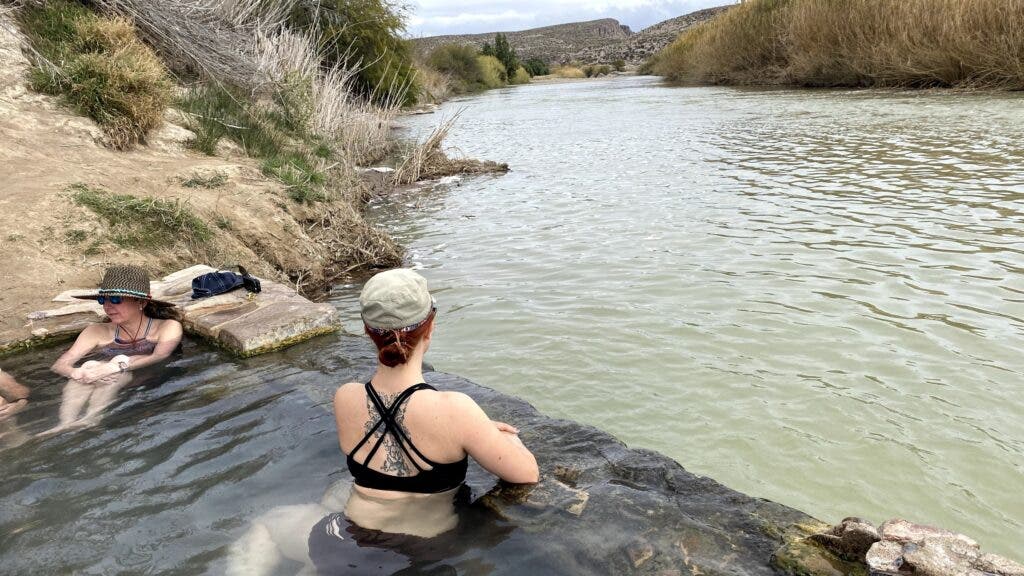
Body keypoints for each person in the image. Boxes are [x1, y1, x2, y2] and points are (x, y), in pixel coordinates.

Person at [310, 268, 539, 572]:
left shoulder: (345, 397)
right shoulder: (455, 410)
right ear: (429, 328)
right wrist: (494, 435)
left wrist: (474, 430)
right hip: (418, 555)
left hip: (340, 541)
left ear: (368, 332)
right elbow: (526, 474)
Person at [46, 265, 182, 433]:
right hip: (110, 386)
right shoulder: (96, 331)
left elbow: (160, 355)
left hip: (151, 386)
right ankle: (66, 423)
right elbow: (60, 365)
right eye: (103, 300)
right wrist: (76, 373)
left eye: (116, 299)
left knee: (118, 361)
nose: (108, 306)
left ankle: (92, 417)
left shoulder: (167, 327)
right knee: (89, 365)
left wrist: (115, 367)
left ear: (141, 302)